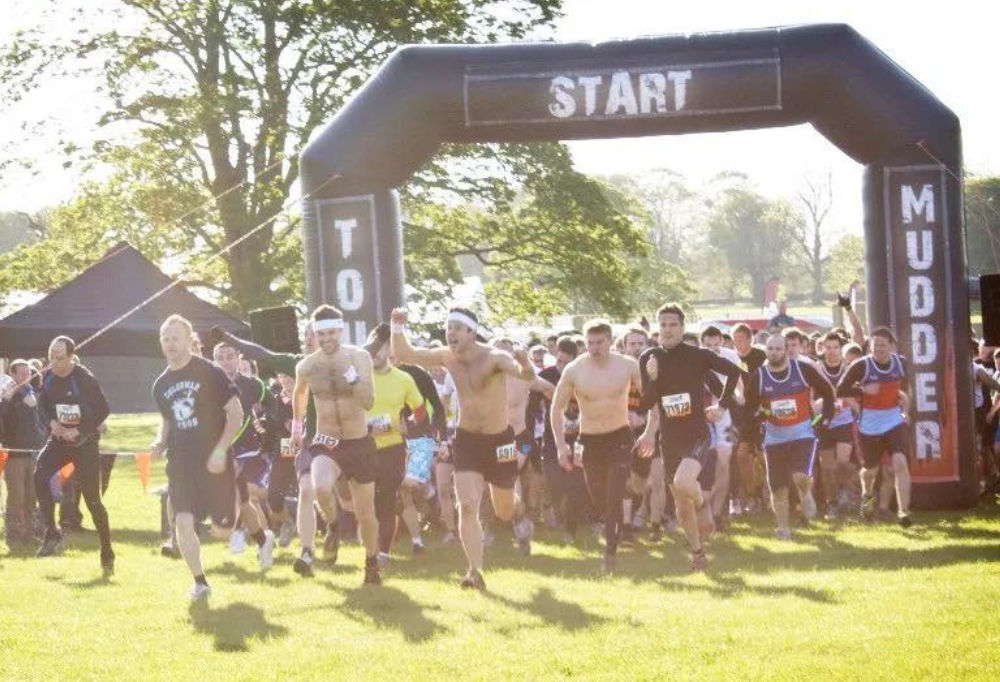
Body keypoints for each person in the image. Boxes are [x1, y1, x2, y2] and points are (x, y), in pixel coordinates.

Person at [390, 306, 537, 590]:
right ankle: (474, 571)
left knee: (503, 510)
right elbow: (407, 354)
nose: (451, 333)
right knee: (467, 505)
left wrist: (525, 363)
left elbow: (525, 375)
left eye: (457, 327)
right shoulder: (448, 356)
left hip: (501, 442)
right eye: (449, 327)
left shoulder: (495, 357)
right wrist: (397, 327)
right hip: (467, 440)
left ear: (472, 332)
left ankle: (519, 515)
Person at [636, 304, 743, 572]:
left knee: (684, 483)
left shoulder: (698, 355)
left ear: (682, 328)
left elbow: (733, 372)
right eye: (663, 325)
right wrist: (652, 378)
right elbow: (646, 403)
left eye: (673, 325)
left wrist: (721, 406)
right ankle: (697, 552)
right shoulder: (649, 358)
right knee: (681, 502)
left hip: (697, 433)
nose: (667, 330)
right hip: (669, 439)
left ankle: (702, 501)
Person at [152, 315, 243, 599]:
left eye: (175, 338)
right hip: (180, 462)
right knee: (182, 520)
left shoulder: (209, 372)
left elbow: (236, 414)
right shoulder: (160, 384)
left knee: (221, 531)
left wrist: (220, 451)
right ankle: (200, 582)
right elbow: (167, 420)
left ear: (189, 341)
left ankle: (236, 518)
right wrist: (159, 441)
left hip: (214, 460)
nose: (170, 343)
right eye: (165, 338)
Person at [290, 305, 380, 584]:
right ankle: (332, 525)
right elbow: (299, 394)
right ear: (315, 334)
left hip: (358, 440)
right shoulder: (307, 365)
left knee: (366, 514)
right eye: (321, 333)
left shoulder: (360, 356)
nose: (327, 338)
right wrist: (296, 427)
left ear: (341, 331)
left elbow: (368, 401)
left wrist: (351, 375)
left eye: (331, 332)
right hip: (327, 439)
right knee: (319, 488)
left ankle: (371, 562)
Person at [550, 320, 643, 573]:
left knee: (613, 497)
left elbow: (651, 399)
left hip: (620, 437)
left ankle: (609, 553)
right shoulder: (574, 369)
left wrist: (651, 428)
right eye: (590, 343)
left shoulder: (627, 365)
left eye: (599, 342)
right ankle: (618, 517)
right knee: (598, 498)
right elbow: (556, 409)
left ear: (610, 341)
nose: (594, 348)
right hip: (590, 440)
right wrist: (560, 446)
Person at [33, 336, 115, 576]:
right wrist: (52, 424)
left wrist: (78, 430)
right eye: (51, 356)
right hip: (59, 442)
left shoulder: (84, 378)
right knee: (39, 474)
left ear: (71, 357)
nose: (54, 362)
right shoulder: (48, 376)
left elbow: (103, 409)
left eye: (59, 357)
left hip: (84, 443)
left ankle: (107, 551)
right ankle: (52, 532)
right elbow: (43, 405)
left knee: (92, 500)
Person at [744, 334, 835, 538]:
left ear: (786, 350)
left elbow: (827, 392)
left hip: (802, 433)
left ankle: (805, 493)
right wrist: (757, 418)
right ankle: (783, 528)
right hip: (774, 438)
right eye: (770, 349)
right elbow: (749, 407)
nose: (774, 353)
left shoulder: (802, 370)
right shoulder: (759, 376)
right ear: (766, 351)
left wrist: (826, 418)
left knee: (799, 476)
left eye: (778, 349)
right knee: (778, 489)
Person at [362, 324, 427, 564]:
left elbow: (421, 411)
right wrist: (368, 428)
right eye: (374, 346)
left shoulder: (404, 379)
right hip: (362, 448)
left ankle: (383, 554)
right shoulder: (357, 377)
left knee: (386, 500)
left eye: (382, 347)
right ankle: (372, 547)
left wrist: (408, 424)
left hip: (392, 449)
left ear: (390, 350)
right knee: (364, 504)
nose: (377, 352)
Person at [836, 326, 913, 527]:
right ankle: (867, 496)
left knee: (900, 463)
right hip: (869, 424)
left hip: (894, 420)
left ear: (891, 346)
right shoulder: (861, 366)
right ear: (870, 346)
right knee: (870, 470)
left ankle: (904, 512)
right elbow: (840, 390)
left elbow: (906, 387)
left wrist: (906, 410)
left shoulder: (901, 363)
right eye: (875, 345)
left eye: (882, 345)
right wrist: (862, 389)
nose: (878, 348)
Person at [212, 341, 276, 568]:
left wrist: (267, 423)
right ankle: (263, 540)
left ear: (239, 358)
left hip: (247, 449)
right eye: (220, 357)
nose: (225, 361)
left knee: (239, 493)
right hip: (220, 448)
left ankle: (238, 531)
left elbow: (272, 403)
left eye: (229, 356)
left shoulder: (252, 385)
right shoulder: (209, 384)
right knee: (246, 501)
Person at [699, 325, 743, 529]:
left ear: (722, 342)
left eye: (716, 345)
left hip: (725, 413)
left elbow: (739, 381)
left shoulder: (731, 356)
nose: (712, 350)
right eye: (708, 345)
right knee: (706, 461)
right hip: (704, 412)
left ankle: (717, 512)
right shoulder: (697, 359)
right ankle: (704, 510)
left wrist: (739, 397)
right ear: (702, 344)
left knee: (724, 461)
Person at [1, 359, 46, 544]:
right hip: (15, 454)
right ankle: (14, 534)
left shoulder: (33, 393)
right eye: (21, 373)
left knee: (31, 495)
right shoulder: (7, 396)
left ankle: (30, 533)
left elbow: (42, 419)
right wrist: (7, 400)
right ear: (12, 374)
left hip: (34, 453)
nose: (26, 376)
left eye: (28, 372)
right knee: (16, 496)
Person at [816, 331, 859, 519]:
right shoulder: (816, 368)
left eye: (835, 347)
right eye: (828, 347)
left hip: (844, 421)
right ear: (822, 348)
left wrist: (845, 402)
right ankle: (831, 504)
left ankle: (851, 490)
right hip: (824, 422)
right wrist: (818, 405)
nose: (832, 351)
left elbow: (857, 391)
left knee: (842, 463)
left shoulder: (849, 367)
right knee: (827, 468)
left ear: (841, 349)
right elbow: (810, 396)